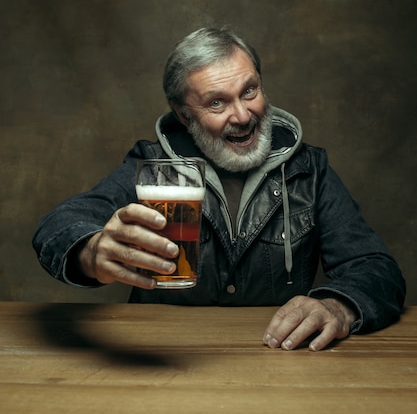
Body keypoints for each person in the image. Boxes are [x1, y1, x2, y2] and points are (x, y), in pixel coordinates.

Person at [33, 27, 406, 351]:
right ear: (184, 115)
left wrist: (338, 306)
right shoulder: (150, 163)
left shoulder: (310, 169)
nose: (243, 116)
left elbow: (375, 268)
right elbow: (59, 225)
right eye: (216, 102)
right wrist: (91, 250)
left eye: (249, 91)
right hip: (163, 357)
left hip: (279, 357)